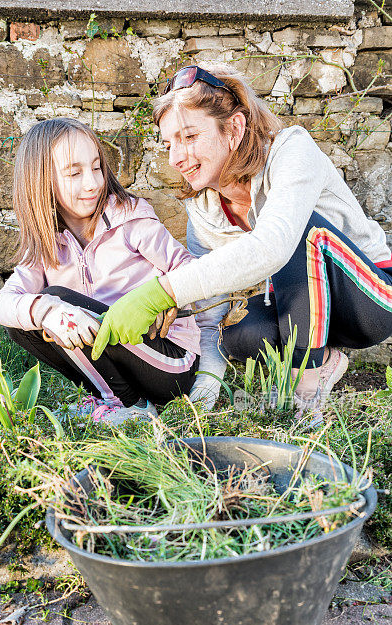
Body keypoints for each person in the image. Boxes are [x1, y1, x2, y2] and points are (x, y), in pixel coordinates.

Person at [92, 64, 392, 419]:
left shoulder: (292, 150)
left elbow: (274, 245)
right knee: (236, 335)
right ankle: (325, 361)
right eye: (168, 143)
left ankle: (306, 393)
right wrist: (203, 395)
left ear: (234, 128)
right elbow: (214, 309)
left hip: (372, 298)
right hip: (310, 305)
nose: (176, 157)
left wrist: (163, 291)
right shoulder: (203, 208)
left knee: (294, 230)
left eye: (189, 137)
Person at [0, 117, 201, 425]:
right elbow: (2, 303)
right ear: (41, 182)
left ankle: (130, 407)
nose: (92, 182)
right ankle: (112, 399)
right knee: (32, 313)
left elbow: (192, 270)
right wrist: (47, 311)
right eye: (74, 173)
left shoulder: (130, 220)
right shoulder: (47, 242)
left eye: (96, 167)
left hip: (168, 361)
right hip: (115, 365)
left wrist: (164, 299)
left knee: (57, 298)